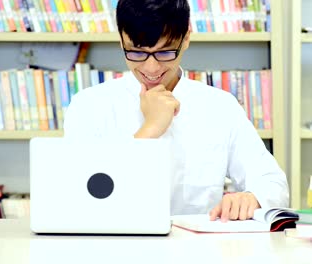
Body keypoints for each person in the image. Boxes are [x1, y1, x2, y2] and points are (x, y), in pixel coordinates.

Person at [64, 0, 289, 222]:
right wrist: (150, 129)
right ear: (121, 39)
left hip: (198, 250)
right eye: (136, 52)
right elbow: (80, 193)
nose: (151, 68)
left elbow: (273, 183)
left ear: (187, 37)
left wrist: (252, 198)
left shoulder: (220, 107)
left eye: (165, 52)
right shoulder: (89, 105)